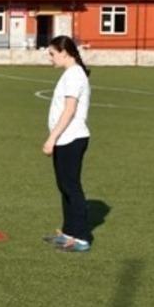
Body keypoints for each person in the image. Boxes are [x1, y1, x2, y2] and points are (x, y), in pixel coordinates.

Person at [42, 35, 93, 253]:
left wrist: (52, 138)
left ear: (64, 52)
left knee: (71, 187)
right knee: (64, 186)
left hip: (71, 138)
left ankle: (81, 237)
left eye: (52, 54)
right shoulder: (70, 74)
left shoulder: (74, 75)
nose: (50, 59)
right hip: (65, 138)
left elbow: (70, 110)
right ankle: (68, 232)